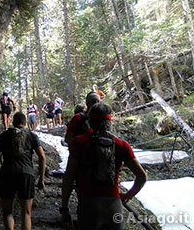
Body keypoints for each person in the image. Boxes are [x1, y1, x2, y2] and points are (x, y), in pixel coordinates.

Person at [69, 103, 147, 230]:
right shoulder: (122, 145)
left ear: (90, 121)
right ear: (109, 122)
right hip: (113, 204)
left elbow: (69, 176)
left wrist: (64, 207)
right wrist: (128, 195)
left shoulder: (78, 142)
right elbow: (142, 176)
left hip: (88, 204)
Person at [0, 112, 46, 230]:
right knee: (26, 213)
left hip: (7, 174)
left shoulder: (4, 135)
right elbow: (42, 156)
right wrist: (41, 179)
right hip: (26, 174)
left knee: (7, 212)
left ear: (13, 122)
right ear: (25, 123)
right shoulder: (31, 135)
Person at [60, 92, 101, 227]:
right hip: (84, 157)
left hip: (90, 157)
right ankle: (68, 209)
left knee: (74, 180)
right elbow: (68, 138)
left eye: (97, 101)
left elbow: (68, 138)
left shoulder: (84, 118)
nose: (95, 104)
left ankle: (72, 210)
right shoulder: (80, 118)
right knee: (73, 180)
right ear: (88, 104)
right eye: (93, 101)